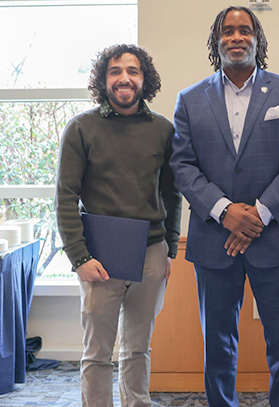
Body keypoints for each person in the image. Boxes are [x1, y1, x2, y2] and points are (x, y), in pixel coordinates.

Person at [169, 6, 279, 407]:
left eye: (244, 30)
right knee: (218, 349)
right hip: (214, 240)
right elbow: (182, 165)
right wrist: (224, 211)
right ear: (217, 40)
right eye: (228, 30)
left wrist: (258, 215)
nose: (237, 37)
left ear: (257, 39)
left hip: (278, 239)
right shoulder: (189, 99)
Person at [55, 44, 182, 406]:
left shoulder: (162, 130)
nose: (124, 78)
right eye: (115, 71)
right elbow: (65, 196)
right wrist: (79, 257)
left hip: (151, 254)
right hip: (99, 257)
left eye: (133, 71)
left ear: (145, 80)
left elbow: (172, 194)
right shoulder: (81, 128)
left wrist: (170, 248)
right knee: (97, 353)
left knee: (137, 348)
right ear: (103, 79)